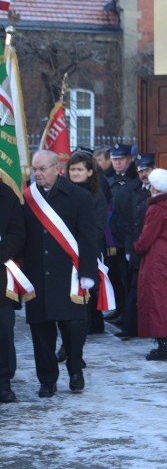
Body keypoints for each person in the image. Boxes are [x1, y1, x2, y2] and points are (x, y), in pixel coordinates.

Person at [21, 150, 97, 397]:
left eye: (42, 169)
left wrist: (87, 272)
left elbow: (88, 238)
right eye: (34, 169)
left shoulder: (79, 197)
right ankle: (47, 379)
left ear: (57, 169)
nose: (38, 174)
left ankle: (75, 370)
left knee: (73, 327)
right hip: (38, 274)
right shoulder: (28, 198)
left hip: (69, 275)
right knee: (41, 331)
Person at [56, 151, 108, 365]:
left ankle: (75, 350)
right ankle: (66, 345)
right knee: (61, 304)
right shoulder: (62, 193)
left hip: (86, 257)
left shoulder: (97, 195)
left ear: (89, 171)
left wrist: (79, 249)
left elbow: (96, 228)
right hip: (61, 256)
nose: (75, 173)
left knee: (82, 307)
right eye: (72, 169)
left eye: (79, 169)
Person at [133, 168, 167, 361]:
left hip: (157, 261)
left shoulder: (156, 208)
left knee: (157, 303)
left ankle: (165, 346)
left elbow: (147, 238)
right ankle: (166, 343)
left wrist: (136, 247)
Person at [113, 153, 154, 340]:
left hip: (149, 247)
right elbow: (124, 221)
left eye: (146, 169)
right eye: (140, 170)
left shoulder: (157, 193)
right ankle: (131, 325)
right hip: (132, 247)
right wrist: (128, 247)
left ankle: (138, 325)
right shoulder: (129, 190)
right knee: (131, 286)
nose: (143, 174)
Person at [103, 143, 137, 324]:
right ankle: (118, 307)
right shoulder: (108, 180)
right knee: (113, 274)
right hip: (110, 237)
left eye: (121, 159)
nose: (117, 163)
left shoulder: (133, 182)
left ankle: (127, 311)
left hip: (125, 237)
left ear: (129, 159)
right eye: (114, 159)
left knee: (126, 277)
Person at [0, 179, 26, 403]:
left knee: (3, 329)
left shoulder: (7, 196)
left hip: (1, 276)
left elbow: (18, 235)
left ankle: (3, 382)